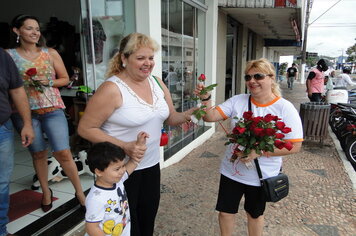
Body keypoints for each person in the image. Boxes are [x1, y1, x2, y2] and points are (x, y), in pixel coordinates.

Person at [78, 33, 196, 236]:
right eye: (140, 58)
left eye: (150, 58)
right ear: (124, 59)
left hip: (150, 165)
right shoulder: (112, 89)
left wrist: (192, 113)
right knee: (125, 226)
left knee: (147, 219)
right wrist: (124, 146)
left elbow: (170, 117)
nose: (147, 63)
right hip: (119, 170)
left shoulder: (157, 83)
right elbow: (85, 128)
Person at [195, 58, 303, 236]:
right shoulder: (238, 100)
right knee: (225, 212)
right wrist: (206, 98)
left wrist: (259, 151)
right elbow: (210, 116)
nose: (252, 81)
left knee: (254, 215)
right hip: (232, 171)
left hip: (262, 175)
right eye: (248, 77)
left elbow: (295, 146)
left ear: (271, 78)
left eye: (258, 76)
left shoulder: (284, 108)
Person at [7, 14, 85, 212]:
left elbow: (65, 78)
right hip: (23, 113)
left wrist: (47, 82)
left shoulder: (49, 53)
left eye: (37, 29)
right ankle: (46, 192)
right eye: (29, 28)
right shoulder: (8, 55)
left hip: (52, 109)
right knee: (38, 154)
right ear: (17, 31)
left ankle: (80, 193)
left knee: (63, 152)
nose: (35, 32)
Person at [85, 132, 148, 236]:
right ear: (99, 171)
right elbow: (91, 228)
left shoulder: (117, 181)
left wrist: (140, 145)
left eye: (123, 166)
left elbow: (134, 162)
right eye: (117, 168)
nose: (122, 170)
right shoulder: (96, 199)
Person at [0, 47, 34, 236]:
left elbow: (17, 90)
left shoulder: (2, 57)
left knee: (2, 183)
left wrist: (27, 124)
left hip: (2, 128)